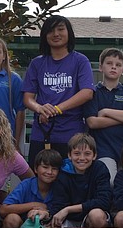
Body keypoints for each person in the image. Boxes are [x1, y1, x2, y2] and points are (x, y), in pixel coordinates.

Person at [23, 15, 95, 163]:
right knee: (40, 177)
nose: (56, 34)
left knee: (69, 179)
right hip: (41, 132)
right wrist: (39, 108)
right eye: (51, 30)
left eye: (61, 29)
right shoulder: (37, 63)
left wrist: (56, 109)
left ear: (69, 33)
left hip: (71, 135)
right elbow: (27, 98)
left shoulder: (80, 61)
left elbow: (87, 93)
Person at [84, 48, 123, 184]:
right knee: (110, 181)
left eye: (118, 65)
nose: (114, 67)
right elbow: (92, 122)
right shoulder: (93, 93)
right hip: (103, 149)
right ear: (101, 67)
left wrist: (105, 112)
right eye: (109, 63)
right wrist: (122, 120)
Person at [49, 133, 111, 228]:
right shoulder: (62, 172)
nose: (82, 158)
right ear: (69, 155)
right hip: (69, 218)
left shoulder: (100, 168)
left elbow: (104, 201)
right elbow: (59, 204)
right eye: (77, 153)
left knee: (97, 215)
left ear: (94, 155)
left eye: (87, 154)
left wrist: (68, 209)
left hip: (90, 216)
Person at [0, 148, 63, 228]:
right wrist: (34, 205)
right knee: (12, 220)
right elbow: (3, 209)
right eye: (45, 167)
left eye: (54, 169)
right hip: (22, 227)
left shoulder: (60, 187)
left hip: (49, 225)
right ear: (36, 169)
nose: (49, 172)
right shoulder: (27, 184)